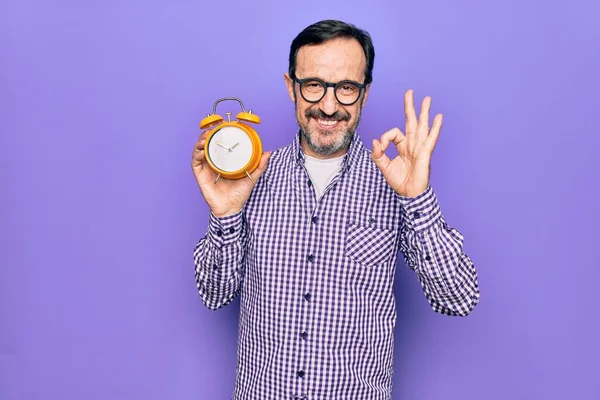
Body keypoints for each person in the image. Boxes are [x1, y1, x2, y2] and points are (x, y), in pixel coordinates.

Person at [191, 19, 479, 400]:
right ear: (291, 86)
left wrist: (417, 197)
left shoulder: (395, 183)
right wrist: (225, 215)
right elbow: (213, 294)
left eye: (346, 88)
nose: (329, 106)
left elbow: (458, 298)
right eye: (314, 85)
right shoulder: (251, 178)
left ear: (365, 93)